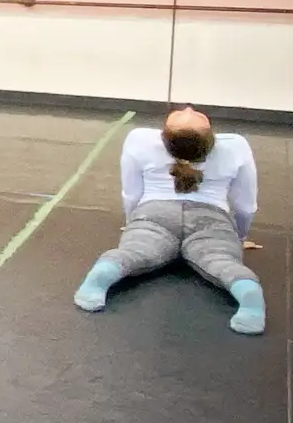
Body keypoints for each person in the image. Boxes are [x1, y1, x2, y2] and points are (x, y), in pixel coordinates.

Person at [73, 107, 265, 334]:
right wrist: (240, 236)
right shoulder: (235, 145)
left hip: (153, 215)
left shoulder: (140, 140)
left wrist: (132, 223)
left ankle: (99, 279)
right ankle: (250, 300)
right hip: (211, 219)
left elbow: (131, 193)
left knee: (131, 253)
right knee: (223, 262)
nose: (188, 107)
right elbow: (245, 205)